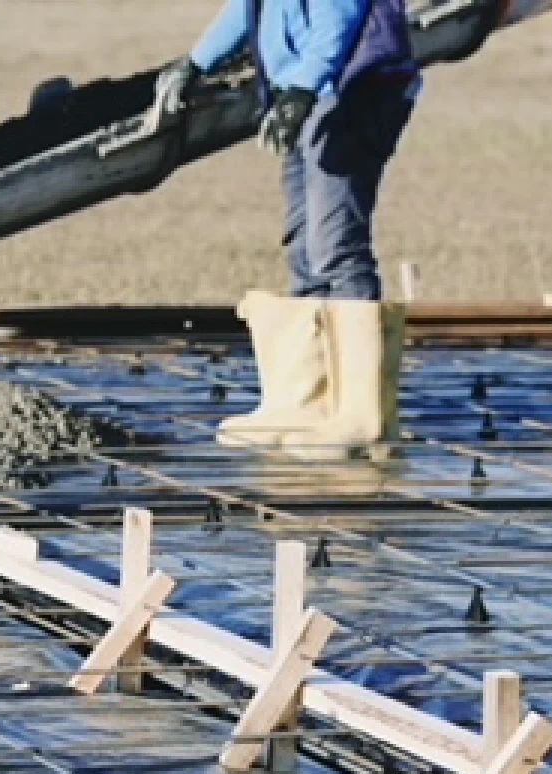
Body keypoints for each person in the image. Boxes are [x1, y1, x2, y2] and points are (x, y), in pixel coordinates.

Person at [154, 0, 419, 460]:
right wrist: (194, 63)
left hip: (348, 92)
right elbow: (248, 8)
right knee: (304, 247)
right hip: (307, 90)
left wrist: (301, 91)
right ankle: (308, 404)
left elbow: (340, 16)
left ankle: (363, 417)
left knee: (336, 247)